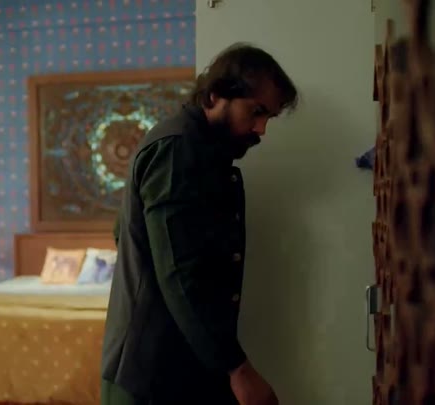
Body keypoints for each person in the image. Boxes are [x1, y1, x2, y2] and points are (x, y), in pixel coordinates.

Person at [101, 43, 299, 405]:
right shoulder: (178, 150)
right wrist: (238, 369)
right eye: (256, 112)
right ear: (214, 97)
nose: (261, 129)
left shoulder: (200, 153)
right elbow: (181, 273)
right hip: (151, 375)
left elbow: (126, 234)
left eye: (268, 117)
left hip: (177, 367)